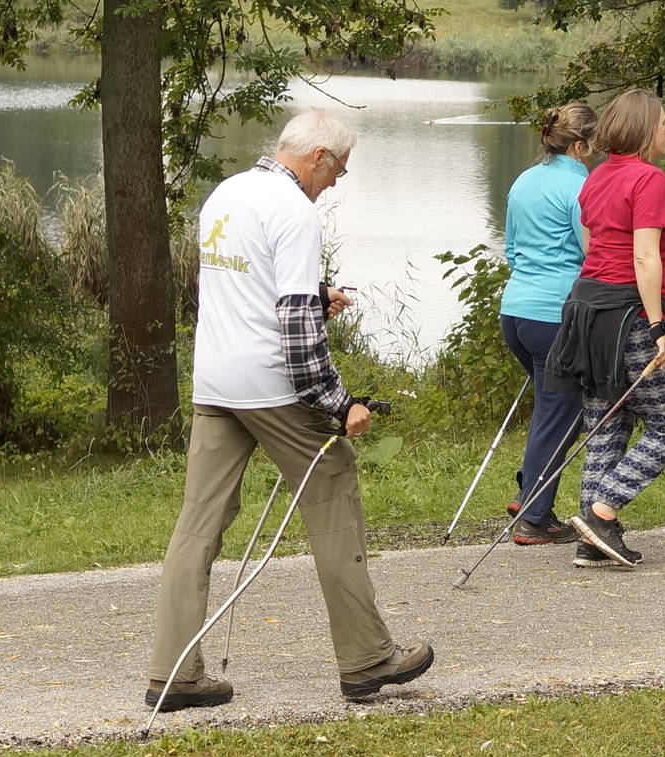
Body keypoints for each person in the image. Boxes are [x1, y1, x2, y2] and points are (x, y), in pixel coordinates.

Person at [146, 108, 434, 708]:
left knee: (197, 524)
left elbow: (238, 287)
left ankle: (172, 675)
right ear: (318, 157)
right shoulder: (295, 211)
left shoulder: (227, 194)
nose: (336, 182)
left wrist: (316, 292)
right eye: (338, 170)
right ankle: (366, 659)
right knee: (334, 482)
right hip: (270, 386)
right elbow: (298, 332)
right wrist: (339, 404)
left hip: (215, 383)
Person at [546, 88, 665, 570]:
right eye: (663, 121)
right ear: (645, 128)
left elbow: (593, 250)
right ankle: (602, 510)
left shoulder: (597, 178)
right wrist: (658, 327)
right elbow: (644, 256)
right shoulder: (649, 179)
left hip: (588, 315)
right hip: (631, 316)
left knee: (606, 423)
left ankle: (592, 540)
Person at [499, 103, 598, 546]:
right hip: (555, 315)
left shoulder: (524, 180)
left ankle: (529, 493)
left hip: (515, 312)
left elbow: (512, 250)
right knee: (564, 411)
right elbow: (593, 254)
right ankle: (534, 518)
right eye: (593, 143)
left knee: (553, 407)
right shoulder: (581, 186)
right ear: (579, 145)